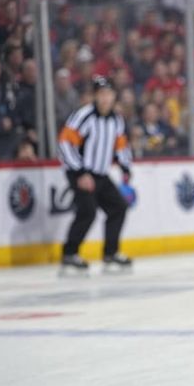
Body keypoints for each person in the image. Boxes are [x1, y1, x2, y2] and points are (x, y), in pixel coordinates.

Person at [57, 76, 134, 274]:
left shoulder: (116, 120)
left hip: (100, 174)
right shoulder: (83, 116)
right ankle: (69, 254)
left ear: (114, 96)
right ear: (95, 96)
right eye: (101, 94)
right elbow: (65, 143)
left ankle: (110, 253)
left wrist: (125, 167)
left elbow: (121, 146)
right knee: (88, 212)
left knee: (118, 208)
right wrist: (80, 173)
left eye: (109, 94)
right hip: (80, 173)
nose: (105, 98)